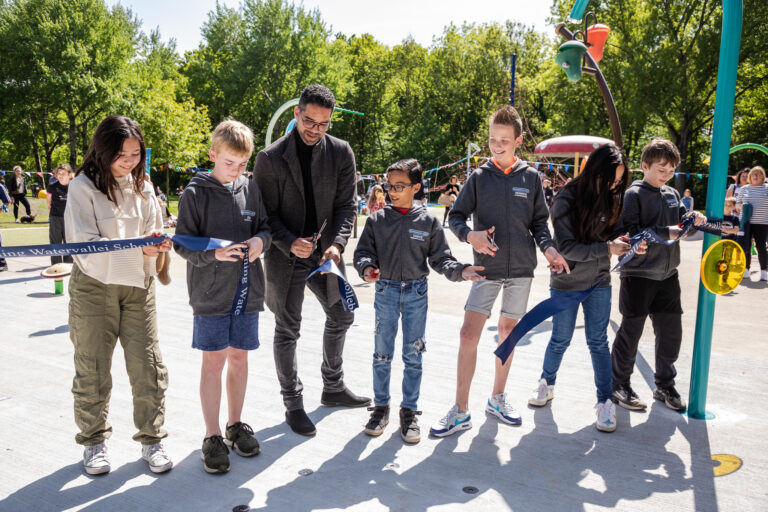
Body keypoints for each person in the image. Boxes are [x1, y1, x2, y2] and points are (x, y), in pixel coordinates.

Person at [430, 105, 569, 437]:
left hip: (522, 270)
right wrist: (470, 236)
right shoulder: (478, 177)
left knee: (507, 335)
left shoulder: (531, 178)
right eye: (493, 139)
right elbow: (456, 218)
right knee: (468, 335)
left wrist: (549, 249)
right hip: (485, 270)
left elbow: (539, 223)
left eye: (504, 140)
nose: (497, 145)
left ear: (518, 140)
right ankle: (460, 410)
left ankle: (497, 398)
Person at [254, 84, 371, 437]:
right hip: (284, 256)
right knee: (288, 328)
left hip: (325, 255)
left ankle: (332, 386)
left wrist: (336, 245)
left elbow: (346, 206)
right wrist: (290, 242)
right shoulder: (270, 159)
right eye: (309, 121)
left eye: (323, 124)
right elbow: (264, 215)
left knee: (342, 313)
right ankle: (293, 402)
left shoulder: (341, 153)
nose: (315, 129)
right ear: (296, 114)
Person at [65, 115, 172, 475]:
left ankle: (152, 438)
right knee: (92, 367)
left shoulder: (145, 187)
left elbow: (153, 231)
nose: (129, 161)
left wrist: (157, 245)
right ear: (103, 150)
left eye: (136, 153)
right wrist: (138, 249)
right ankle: (94, 443)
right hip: (94, 288)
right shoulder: (82, 187)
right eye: (122, 154)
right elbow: (85, 245)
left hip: (139, 288)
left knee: (148, 366)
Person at [354, 159, 485, 443]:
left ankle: (409, 412)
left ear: (416, 187)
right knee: (381, 354)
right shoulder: (377, 220)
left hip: (416, 295)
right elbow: (363, 252)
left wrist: (460, 270)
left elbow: (441, 259)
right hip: (385, 293)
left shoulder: (428, 221)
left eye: (399, 186)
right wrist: (367, 268)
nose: (392, 191)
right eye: (389, 185)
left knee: (413, 356)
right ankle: (380, 408)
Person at [174, 119, 271, 474]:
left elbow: (264, 227)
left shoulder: (251, 189)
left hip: (248, 294)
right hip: (210, 296)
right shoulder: (194, 193)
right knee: (214, 362)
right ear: (213, 154)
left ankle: (235, 425)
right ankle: (212, 435)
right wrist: (213, 254)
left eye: (243, 164)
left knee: (240, 359)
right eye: (229, 163)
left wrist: (261, 242)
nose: (236, 171)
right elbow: (182, 244)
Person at [528, 143, 635, 432]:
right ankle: (546, 383)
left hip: (599, 281)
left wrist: (628, 243)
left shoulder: (613, 197)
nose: (614, 185)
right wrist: (607, 249)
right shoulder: (566, 198)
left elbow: (612, 234)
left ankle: (604, 401)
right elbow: (565, 247)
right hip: (567, 281)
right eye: (610, 179)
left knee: (597, 341)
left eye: (618, 181)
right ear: (594, 172)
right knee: (560, 338)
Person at [611, 139, 706, 413]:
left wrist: (692, 218)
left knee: (670, 333)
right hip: (638, 274)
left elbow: (680, 225)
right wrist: (667, 232)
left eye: (671, 170)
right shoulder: (633, 194)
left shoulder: (673, 194)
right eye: (661, 169)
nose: (666, 175)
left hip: (668, 275)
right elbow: (630, 229)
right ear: (644, 166)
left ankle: (664, 384)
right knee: (631, 332)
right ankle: (619, 384)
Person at [737, 166, 768, 281]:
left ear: (762, 177)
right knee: (745, 246)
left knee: (761, 247)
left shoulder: (766, 188)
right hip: (746, 223)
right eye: (753, 174)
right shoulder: (744, 188)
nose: (755, 176)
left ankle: (764, 271)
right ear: (750, 177)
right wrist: (741, 207)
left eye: (758, 174)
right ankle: (746, 269)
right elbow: (737, 204)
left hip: (762, 223)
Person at [46, 164, 74, 265]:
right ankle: (56, 265)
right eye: (59, 173)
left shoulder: (74, 186)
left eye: (63, 174)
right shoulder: (52, 186)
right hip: (55, 217)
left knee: (69, 241)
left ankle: (69, 264)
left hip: (70, 218)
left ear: (70, 175)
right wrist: (54, 214)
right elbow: (48, 203)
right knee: (55, 242)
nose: (61, 175)